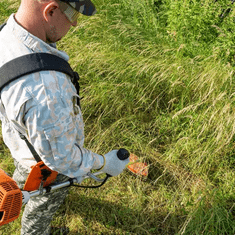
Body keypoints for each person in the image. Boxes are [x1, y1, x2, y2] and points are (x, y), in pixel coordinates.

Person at [0, 0, 129, 234]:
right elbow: (62, 159)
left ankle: (18, 195)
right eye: (72, 15)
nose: (76, 23)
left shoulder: (6, 34)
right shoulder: (45, 91)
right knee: (43, 205)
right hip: (48, 166)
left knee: (24, 180)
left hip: (22, 147)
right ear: (50, 10)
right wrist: (104, 163)